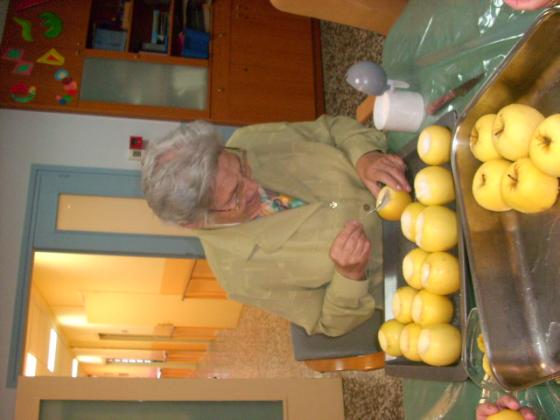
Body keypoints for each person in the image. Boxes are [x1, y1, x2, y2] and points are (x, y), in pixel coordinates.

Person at [142, 115, 410, 337]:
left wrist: (366, 157)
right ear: (195, 222)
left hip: (406, 175)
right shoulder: (239, 276)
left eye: (241, 167)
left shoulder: (248, 139)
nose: (253, 187)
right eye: (235, 195)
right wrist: (349, 276)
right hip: (406, 266)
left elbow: (332, 129)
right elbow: (329, 323)